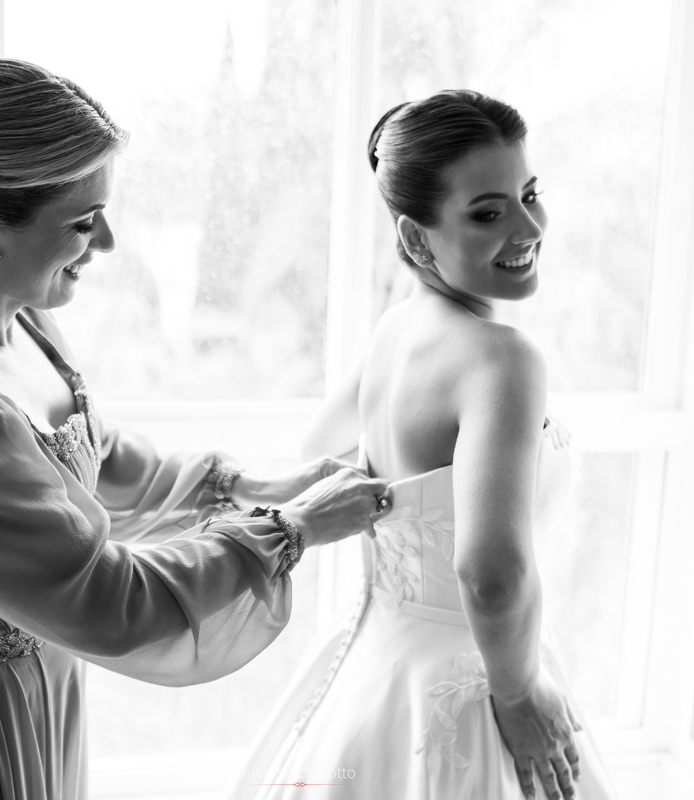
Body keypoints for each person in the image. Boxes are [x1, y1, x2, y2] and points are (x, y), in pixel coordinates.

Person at [0, 58, 389, 800]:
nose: (110, 242)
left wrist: (255, 484)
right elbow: (101, 594)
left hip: (41, 696)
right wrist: (291, 529)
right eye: (84, 223)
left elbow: (90, 461)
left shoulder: (22, 322)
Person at [231, 91, 617, 800]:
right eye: (488, 213)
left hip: (380, 665)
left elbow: (318, 453)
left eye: (530, 195)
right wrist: (519, 693)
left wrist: (401, 512)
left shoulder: (394, 331)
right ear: (414, 239)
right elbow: (491, 576)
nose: (529, 226)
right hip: (477, 682)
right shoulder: (502, 360)